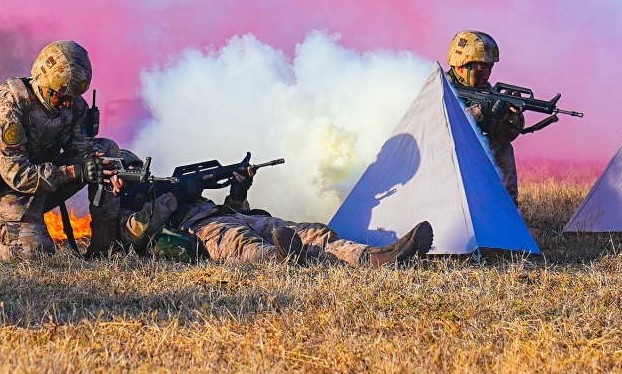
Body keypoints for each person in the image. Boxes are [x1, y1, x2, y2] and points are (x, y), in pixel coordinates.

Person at [0, 40, 162, 259]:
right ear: (44, 84)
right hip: (5, 191)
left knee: (107, 150)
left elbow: (82, 151)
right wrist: (75, 172)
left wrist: (108, 173)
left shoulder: (74, 105)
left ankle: (104, 249)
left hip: (45, 179)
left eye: (72, 97)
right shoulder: (8, 111)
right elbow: (18, 175)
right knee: (36, 252)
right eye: (62, 95)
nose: (68, 103)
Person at [126, 164, 434, 268]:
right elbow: (135, 234)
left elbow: (238, 211)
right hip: (201, 230)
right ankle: (287, 260)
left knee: (312, 231)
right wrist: (174, 194)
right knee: (245, 246)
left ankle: (374, 257)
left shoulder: (164, 191)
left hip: (229, 215)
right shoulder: (125, 212)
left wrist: (238, 190)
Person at [445, 29, 525, 200]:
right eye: (481, 68)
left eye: (490, 67)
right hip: (445, 160)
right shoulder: (442, 86)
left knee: (502, 147)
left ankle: (506, 207)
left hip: (472, 160)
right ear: (461, 65)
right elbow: (444, 126)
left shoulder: (485, 90)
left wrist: (510, 116)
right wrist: (481, 111)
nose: (487, 75)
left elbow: (501, 136)